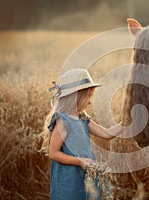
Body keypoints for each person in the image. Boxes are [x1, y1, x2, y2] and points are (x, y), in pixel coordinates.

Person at [41, 68, 122, 200]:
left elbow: (106, 133)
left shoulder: (83, 118)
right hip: (69, 182)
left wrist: (128, 123)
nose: (90, 101)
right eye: (88, 96)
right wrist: (79, 161)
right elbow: (53, 153)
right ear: (76, 96)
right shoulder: (63, 121)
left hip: (86, 177)